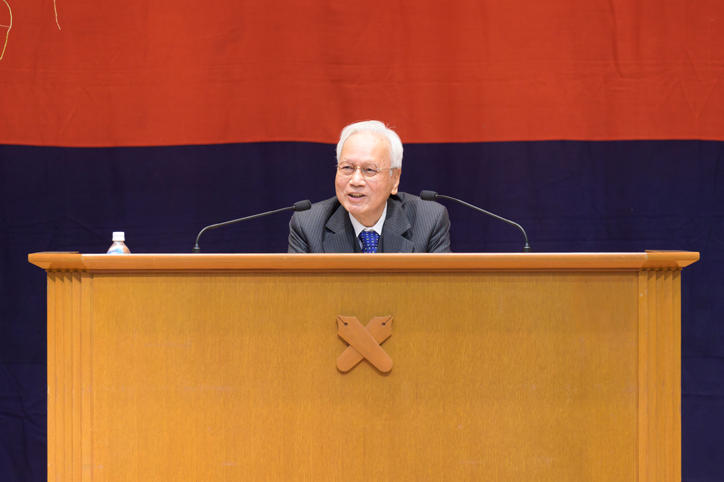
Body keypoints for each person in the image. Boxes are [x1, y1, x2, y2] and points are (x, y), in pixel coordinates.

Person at [288, 120, 451, 253]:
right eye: (347, 167)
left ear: (394, 179)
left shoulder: (428, 220)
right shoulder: (308, 225)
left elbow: (440, 284)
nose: (356, 181)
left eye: (369, 170)